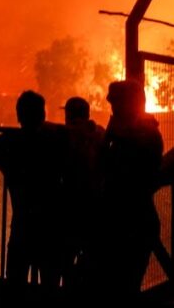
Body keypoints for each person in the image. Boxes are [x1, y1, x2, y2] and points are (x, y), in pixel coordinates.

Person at [0, 90, 68, 297]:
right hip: (52, 224)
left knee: (15, 281)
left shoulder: (9, 142)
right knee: (50, 282)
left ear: (19, 115)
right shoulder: (57, 140)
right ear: (43, 115)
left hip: (23, 223)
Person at [89, 80, 163, 306]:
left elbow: (104, 167)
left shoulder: (134, 136)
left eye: (115, 103)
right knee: (127, 286)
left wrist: (110, 134)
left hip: (125, 222)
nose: (111, 107)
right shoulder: (148, 132)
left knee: (119, 286)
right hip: (136, 220)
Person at [59, 96, 105, 292]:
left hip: (70, 207)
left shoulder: (63, 135)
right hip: (95, 206)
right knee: (92, 257)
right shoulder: (101, 133)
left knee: (65, 260)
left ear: (69, 115)